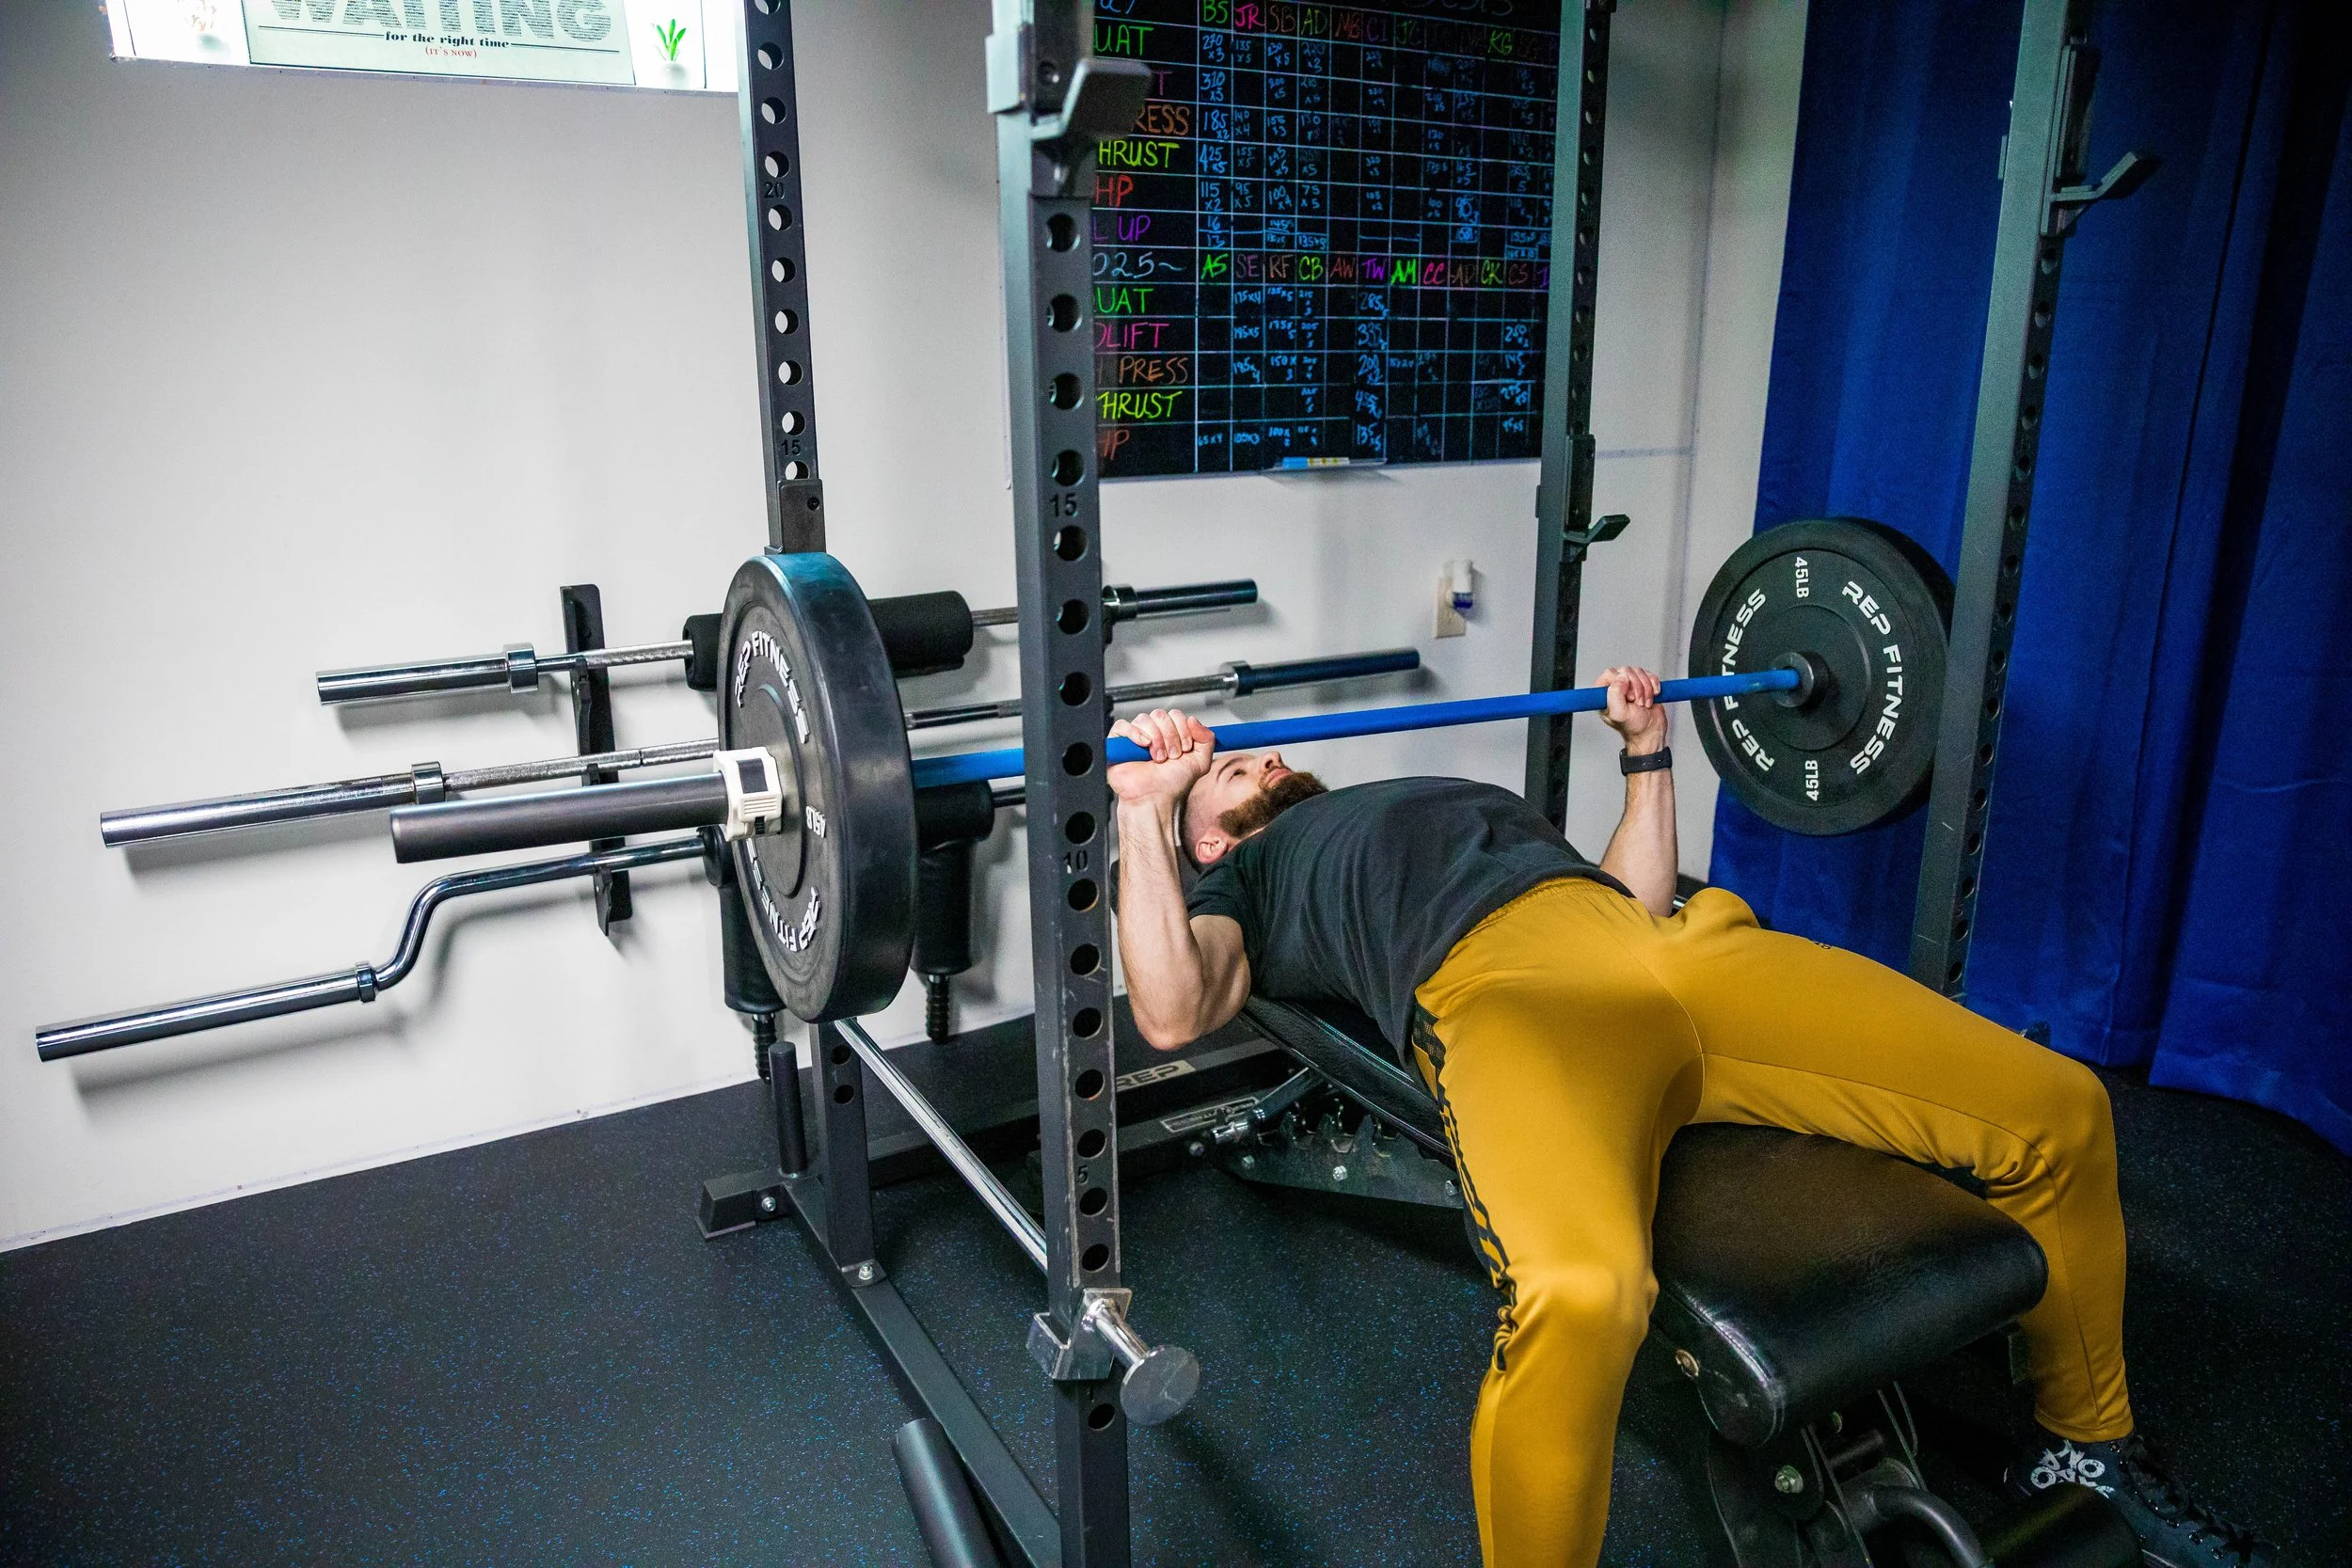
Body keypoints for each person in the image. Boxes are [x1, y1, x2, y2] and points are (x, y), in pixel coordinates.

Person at [1106, 670, 2280, 1568]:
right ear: (1210, 834)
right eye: (1232, 768)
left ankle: (2087, 1444)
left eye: (1256, 751)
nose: (1261, 757)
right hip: (1512, 1000)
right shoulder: (1243, 874)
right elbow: (1169, 1008)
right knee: (1578, 1292)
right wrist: (1144, 816)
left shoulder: (1436, 798)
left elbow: (1635, 889)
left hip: (1677, 945)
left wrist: (1647, 751)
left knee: (2058, 1109)